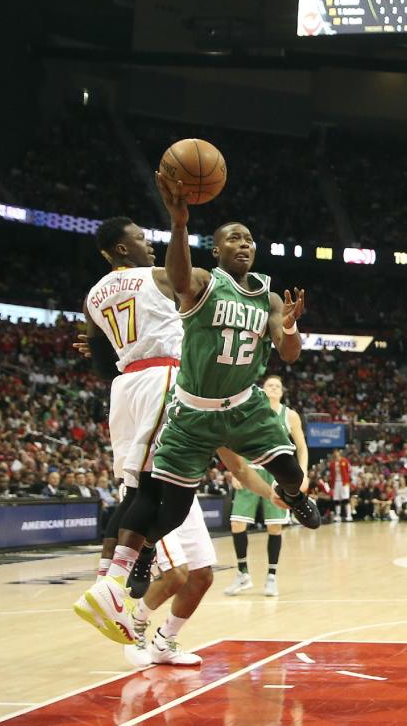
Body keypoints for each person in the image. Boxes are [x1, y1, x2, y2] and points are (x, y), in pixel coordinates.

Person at [75, 215, 311, 646]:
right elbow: (185, 280)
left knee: (139, 488)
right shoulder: (155, 275)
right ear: (123, 248)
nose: (149, 245)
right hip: (162, 377)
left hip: (122, 384)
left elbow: (96, 354)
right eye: (142, 240)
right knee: (146, 487)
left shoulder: (92, 294)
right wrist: (180, 220)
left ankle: (139, 614)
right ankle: (111, 583)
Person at [225, 375, 309, 598]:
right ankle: (243, 574)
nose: (273, 388)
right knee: (236, 523)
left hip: (277, 473)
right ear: (262, 390)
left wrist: (304, 474)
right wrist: (235, 470)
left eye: (277, 386)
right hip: (251, 470)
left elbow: (302, 447)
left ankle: (271, 576)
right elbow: (236, 440)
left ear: (282, 391)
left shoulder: (290, 415)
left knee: (274, 527)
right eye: (269, 385)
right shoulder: (252, 411)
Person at [328, 449, 352, 522]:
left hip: (344, 482)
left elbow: (349, 470)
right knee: (336, 500)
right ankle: (338, 516)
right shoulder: (332, 464)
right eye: (334, 453)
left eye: (337, 453)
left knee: (346, 499)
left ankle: (349, 515)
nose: (335, 454)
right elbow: (331, 475)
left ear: (339, 453)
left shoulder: (345, 461)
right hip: (336, 483)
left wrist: (348, 481)